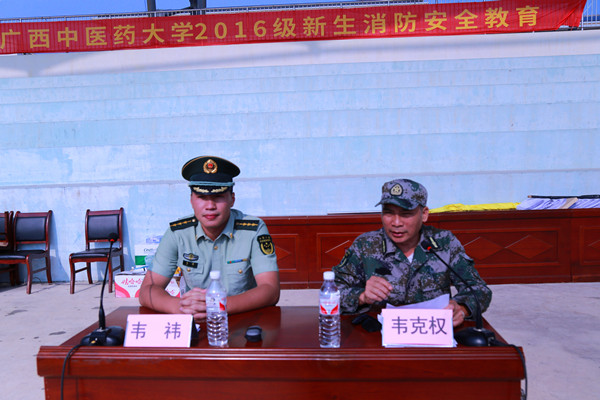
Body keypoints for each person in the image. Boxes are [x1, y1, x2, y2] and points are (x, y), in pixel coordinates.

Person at [333, 178, 492, 327]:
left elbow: (479, 289)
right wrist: (362, 296)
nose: (396, 223)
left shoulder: (444, 243)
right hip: (379, 334)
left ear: (424, 214)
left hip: (432, 331)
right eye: (388, 213)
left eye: (406, 214)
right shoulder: (365, 245)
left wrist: (462, 308)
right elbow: (330, 294)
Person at [139, 156, 280, 322]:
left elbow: (270, 289)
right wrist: (180, 307)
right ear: (191, 200)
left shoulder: (253, 230)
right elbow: (147, 289)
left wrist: (219, 305)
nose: (210, 206)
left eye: (218, 196)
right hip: (196, 321)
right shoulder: (178, 233)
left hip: (244, 320)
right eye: (201, 197)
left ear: (232, 199)